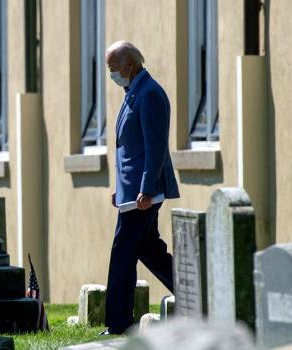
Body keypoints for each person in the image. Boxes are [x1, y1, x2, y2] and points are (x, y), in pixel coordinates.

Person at [101, 41, 180, 335]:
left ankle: (118, 322)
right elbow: (128, 149)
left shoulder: (150, 95)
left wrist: (145, 190)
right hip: (132, 192)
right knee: (148, 249)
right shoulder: (134, 91)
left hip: (145, 194)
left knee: (123, 251)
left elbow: (155, 148)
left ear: (129, 65)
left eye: (113, 68)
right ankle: (197, 294)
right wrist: (121, 189)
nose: (111, 73)